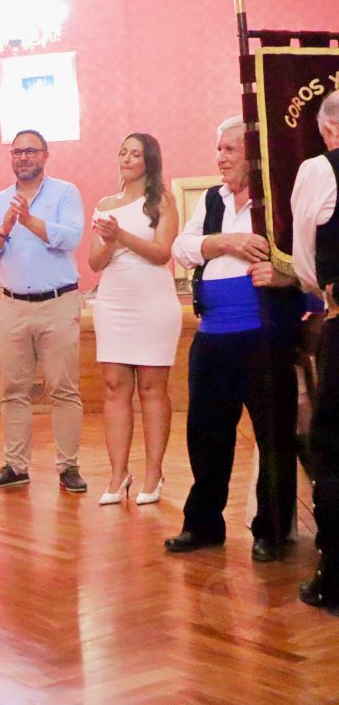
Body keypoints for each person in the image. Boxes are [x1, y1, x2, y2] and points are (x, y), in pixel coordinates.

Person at [164, 116, 302, 561]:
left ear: (253, 155)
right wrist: (224, 242)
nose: (219, 157)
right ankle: (203, 525)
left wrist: (284, 276)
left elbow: (308, 259)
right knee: (205, 437)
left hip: (263, 338)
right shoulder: (212, 200)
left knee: (273, 438)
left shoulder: (278, 202)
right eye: (218, 149)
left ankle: (272, 532)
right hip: (212, 338)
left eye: (229, 150)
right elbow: (182, 250)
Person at [0, 130, 87, 493]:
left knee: (64, 389)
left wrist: (29, 221)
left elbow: (71, 238)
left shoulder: (65, 193)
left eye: (30, 151)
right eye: (17, 152)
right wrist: (5, 227)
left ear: (45, 155)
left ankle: (68, 466)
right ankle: (15, 466)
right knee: (13, 390)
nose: (23, 157)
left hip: (58, 302)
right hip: (12, 306)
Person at [88, 134, 182, 505]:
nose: (126, 159)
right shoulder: (105, 205)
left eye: (135, 154)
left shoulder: (162, 201)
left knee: (151, 388)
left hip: (153, 300)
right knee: (114, 385)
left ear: (149, 161)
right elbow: (95, 263)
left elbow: (161, 253)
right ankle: (117, 474)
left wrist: (121, 234)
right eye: (123, 152)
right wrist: (109, 240)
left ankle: (153, 474)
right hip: (114, 300)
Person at [292, 90, 339, 614]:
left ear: (327, 130)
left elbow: (305, 256)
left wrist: (322, 288)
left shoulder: (319, 170)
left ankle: (335, 578)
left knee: (331, 447)